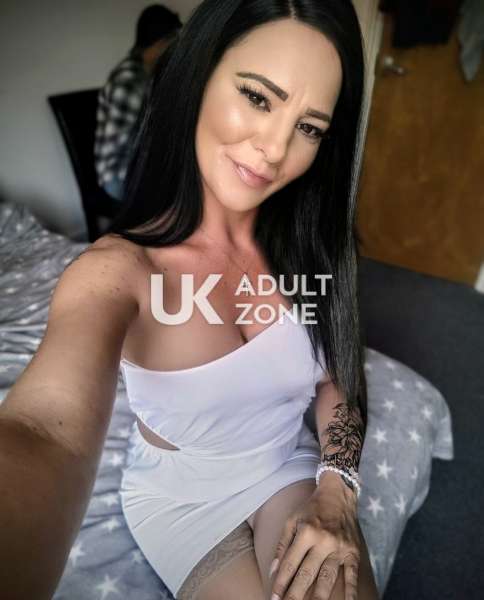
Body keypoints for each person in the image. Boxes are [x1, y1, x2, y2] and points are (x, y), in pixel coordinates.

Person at [0, 1, 380, 599]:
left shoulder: (316, 245)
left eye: (309, 127)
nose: (275, 148)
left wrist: (337, 487)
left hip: (287, 466)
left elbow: (341, 373)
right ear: (197, 75)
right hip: (181, 502)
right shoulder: (116, 272)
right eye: (258, 97)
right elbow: (45, 429)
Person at [94, 4, 182, 201]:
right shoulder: (129, 81)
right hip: (118, 176)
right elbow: (125, 148)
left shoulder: (146, 72)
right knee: (182, 191)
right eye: (172, 42)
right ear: (160, 43)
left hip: (134, 166)